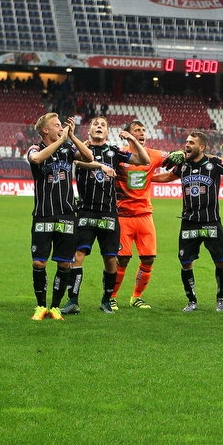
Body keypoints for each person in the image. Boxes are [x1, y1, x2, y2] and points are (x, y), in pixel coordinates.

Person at [60, 116, 149, 316]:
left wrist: (132, 141)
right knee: (77, 255)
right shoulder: (79, 150)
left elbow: (144, 160)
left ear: (107, 132)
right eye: (95, 125)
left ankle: (106, 300)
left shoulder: (114, 152)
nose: (99, 127)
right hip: (85, 211)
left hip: (108, 212)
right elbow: (78, 161)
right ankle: (72, 300)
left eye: (103, 125)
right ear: (89, 130)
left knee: (110, 259)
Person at [154, 131, 223, 312]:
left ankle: (221, 299)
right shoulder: (183, 165)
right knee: (185, 262)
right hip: (189, 222)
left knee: (220, 262)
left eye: (191, 142)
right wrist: (143, 180)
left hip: (211, 221)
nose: (187, 145)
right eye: (186, 142)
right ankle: (191, 300)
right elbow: (167, 177)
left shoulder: (214, 164)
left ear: (202, 147)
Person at [27, 113, 94, 320]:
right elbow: (37, 159)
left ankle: (55, 307)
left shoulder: (68, 149)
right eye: (57, 125)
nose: (60, 127)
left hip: (66, 215)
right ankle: (40, 306)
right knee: (39, 263)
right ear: (45, 130)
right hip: (43, 215)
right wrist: (62, 140)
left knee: (64, 263)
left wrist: (72, 138)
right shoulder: (35, 148)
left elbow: (89, 158)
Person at [111, 120, 170, 310]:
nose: (142, 133)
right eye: (137, 130)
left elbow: (176, 164)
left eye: (143, 130)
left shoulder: (154, 155)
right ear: (127, 135)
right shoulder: (119, 154)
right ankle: (111, 296)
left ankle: (136, 297)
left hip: (145, 215)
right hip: (123, 215)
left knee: (148, 258)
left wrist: (158, 177)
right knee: (122, 259)